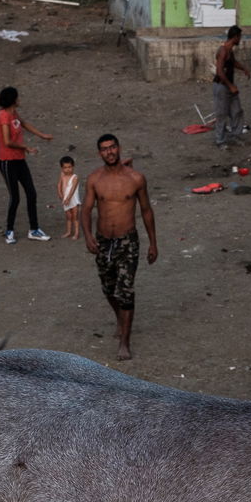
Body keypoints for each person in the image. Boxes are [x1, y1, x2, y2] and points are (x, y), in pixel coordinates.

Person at [80, 134, 157, 360]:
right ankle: (120, 318)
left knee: (126, 291)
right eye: (104, 149)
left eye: (112, 147)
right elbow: (85, 210)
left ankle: (124, 341)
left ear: (119, 148)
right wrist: (87, 236)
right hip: (104, 241)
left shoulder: (135, 179)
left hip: (127, 241)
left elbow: (146, 210)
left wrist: (153, 243)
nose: (109, 152)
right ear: (99, 153)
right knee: (108, 288)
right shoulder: (94, 179)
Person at [0, 86, 53, 244]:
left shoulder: (13, 113)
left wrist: (42, 135)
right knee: (15, 196)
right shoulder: (3, 116)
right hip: (7, 161)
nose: (19, 99)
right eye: (17, 97)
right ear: (13, 99)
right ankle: (9, 231)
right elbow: (7, 141)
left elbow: (24, 123)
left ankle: (34, 229)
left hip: (19, 160)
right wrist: (25, 147)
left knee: (31, 193)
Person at [213, 25, 251, 148]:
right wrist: (230, 86)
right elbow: (219, 72)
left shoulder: (230, 50)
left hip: (229, 86)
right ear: (235, 37)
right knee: (222, 113)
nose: (240, 39)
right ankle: (220, 141)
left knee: (237, 111)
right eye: (240, 37)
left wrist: (244, 68)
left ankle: (235, 136)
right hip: (222, 86)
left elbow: (233, 62)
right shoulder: (223, 51)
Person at [57, 156, 81, 240]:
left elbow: (72, 189)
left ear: (73, 166)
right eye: (65, 167)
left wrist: (68, 198)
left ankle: (76, 233)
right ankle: (68, 231)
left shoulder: (75, 177)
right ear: (62, 168)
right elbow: (59, 185)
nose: (67, 169)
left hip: (73, 200)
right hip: (65, 199)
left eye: (69, 167)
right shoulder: (62, 176)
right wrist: (60, 194)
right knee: (68, 216)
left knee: (75, 216)